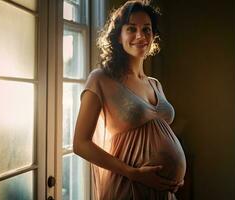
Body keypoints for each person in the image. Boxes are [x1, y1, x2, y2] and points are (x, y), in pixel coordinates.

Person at [73, 1, 186, 199]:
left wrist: (175, 175)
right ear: (119, 35)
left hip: (163, 193)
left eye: (147, 29)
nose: (140, 36)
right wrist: (133, 173)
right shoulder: (101, 78)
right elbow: (80, 144)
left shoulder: (155, 84)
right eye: (132, 29)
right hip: (127, 188)